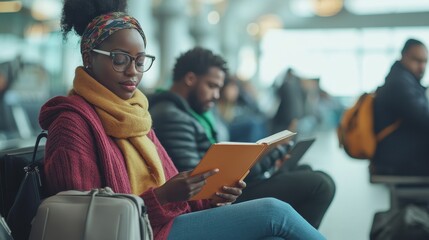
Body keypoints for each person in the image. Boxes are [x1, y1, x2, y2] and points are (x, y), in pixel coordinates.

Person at [38, 0, 326, 239]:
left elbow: (176, 188)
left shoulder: (137, 115)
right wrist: (162, 197)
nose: (133, 72)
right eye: (119, 58)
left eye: (140, 61)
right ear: (89, 57)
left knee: (274, 230)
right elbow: (86, 222)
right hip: (139, 232)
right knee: (274, 213)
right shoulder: (72, 124)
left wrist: (212, 198)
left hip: (160, 223)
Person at [149, 47, 336, 229]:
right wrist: (267, 159)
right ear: (190, 79)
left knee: (308, 171)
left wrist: (267, 158)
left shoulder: (188, 112)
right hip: (212, 201)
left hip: (225, 192)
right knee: (320, 185)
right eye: (212, 86)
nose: (216, 96)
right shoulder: (171, 116)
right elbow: (201, 181)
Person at [373, 38, 429, 175]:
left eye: (425, 61)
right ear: (403, 56)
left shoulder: (404, 79)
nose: (422, 66)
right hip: (399, 157)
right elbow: (423, 116)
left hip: (399, 153)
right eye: (416, 60)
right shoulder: (400, 83)